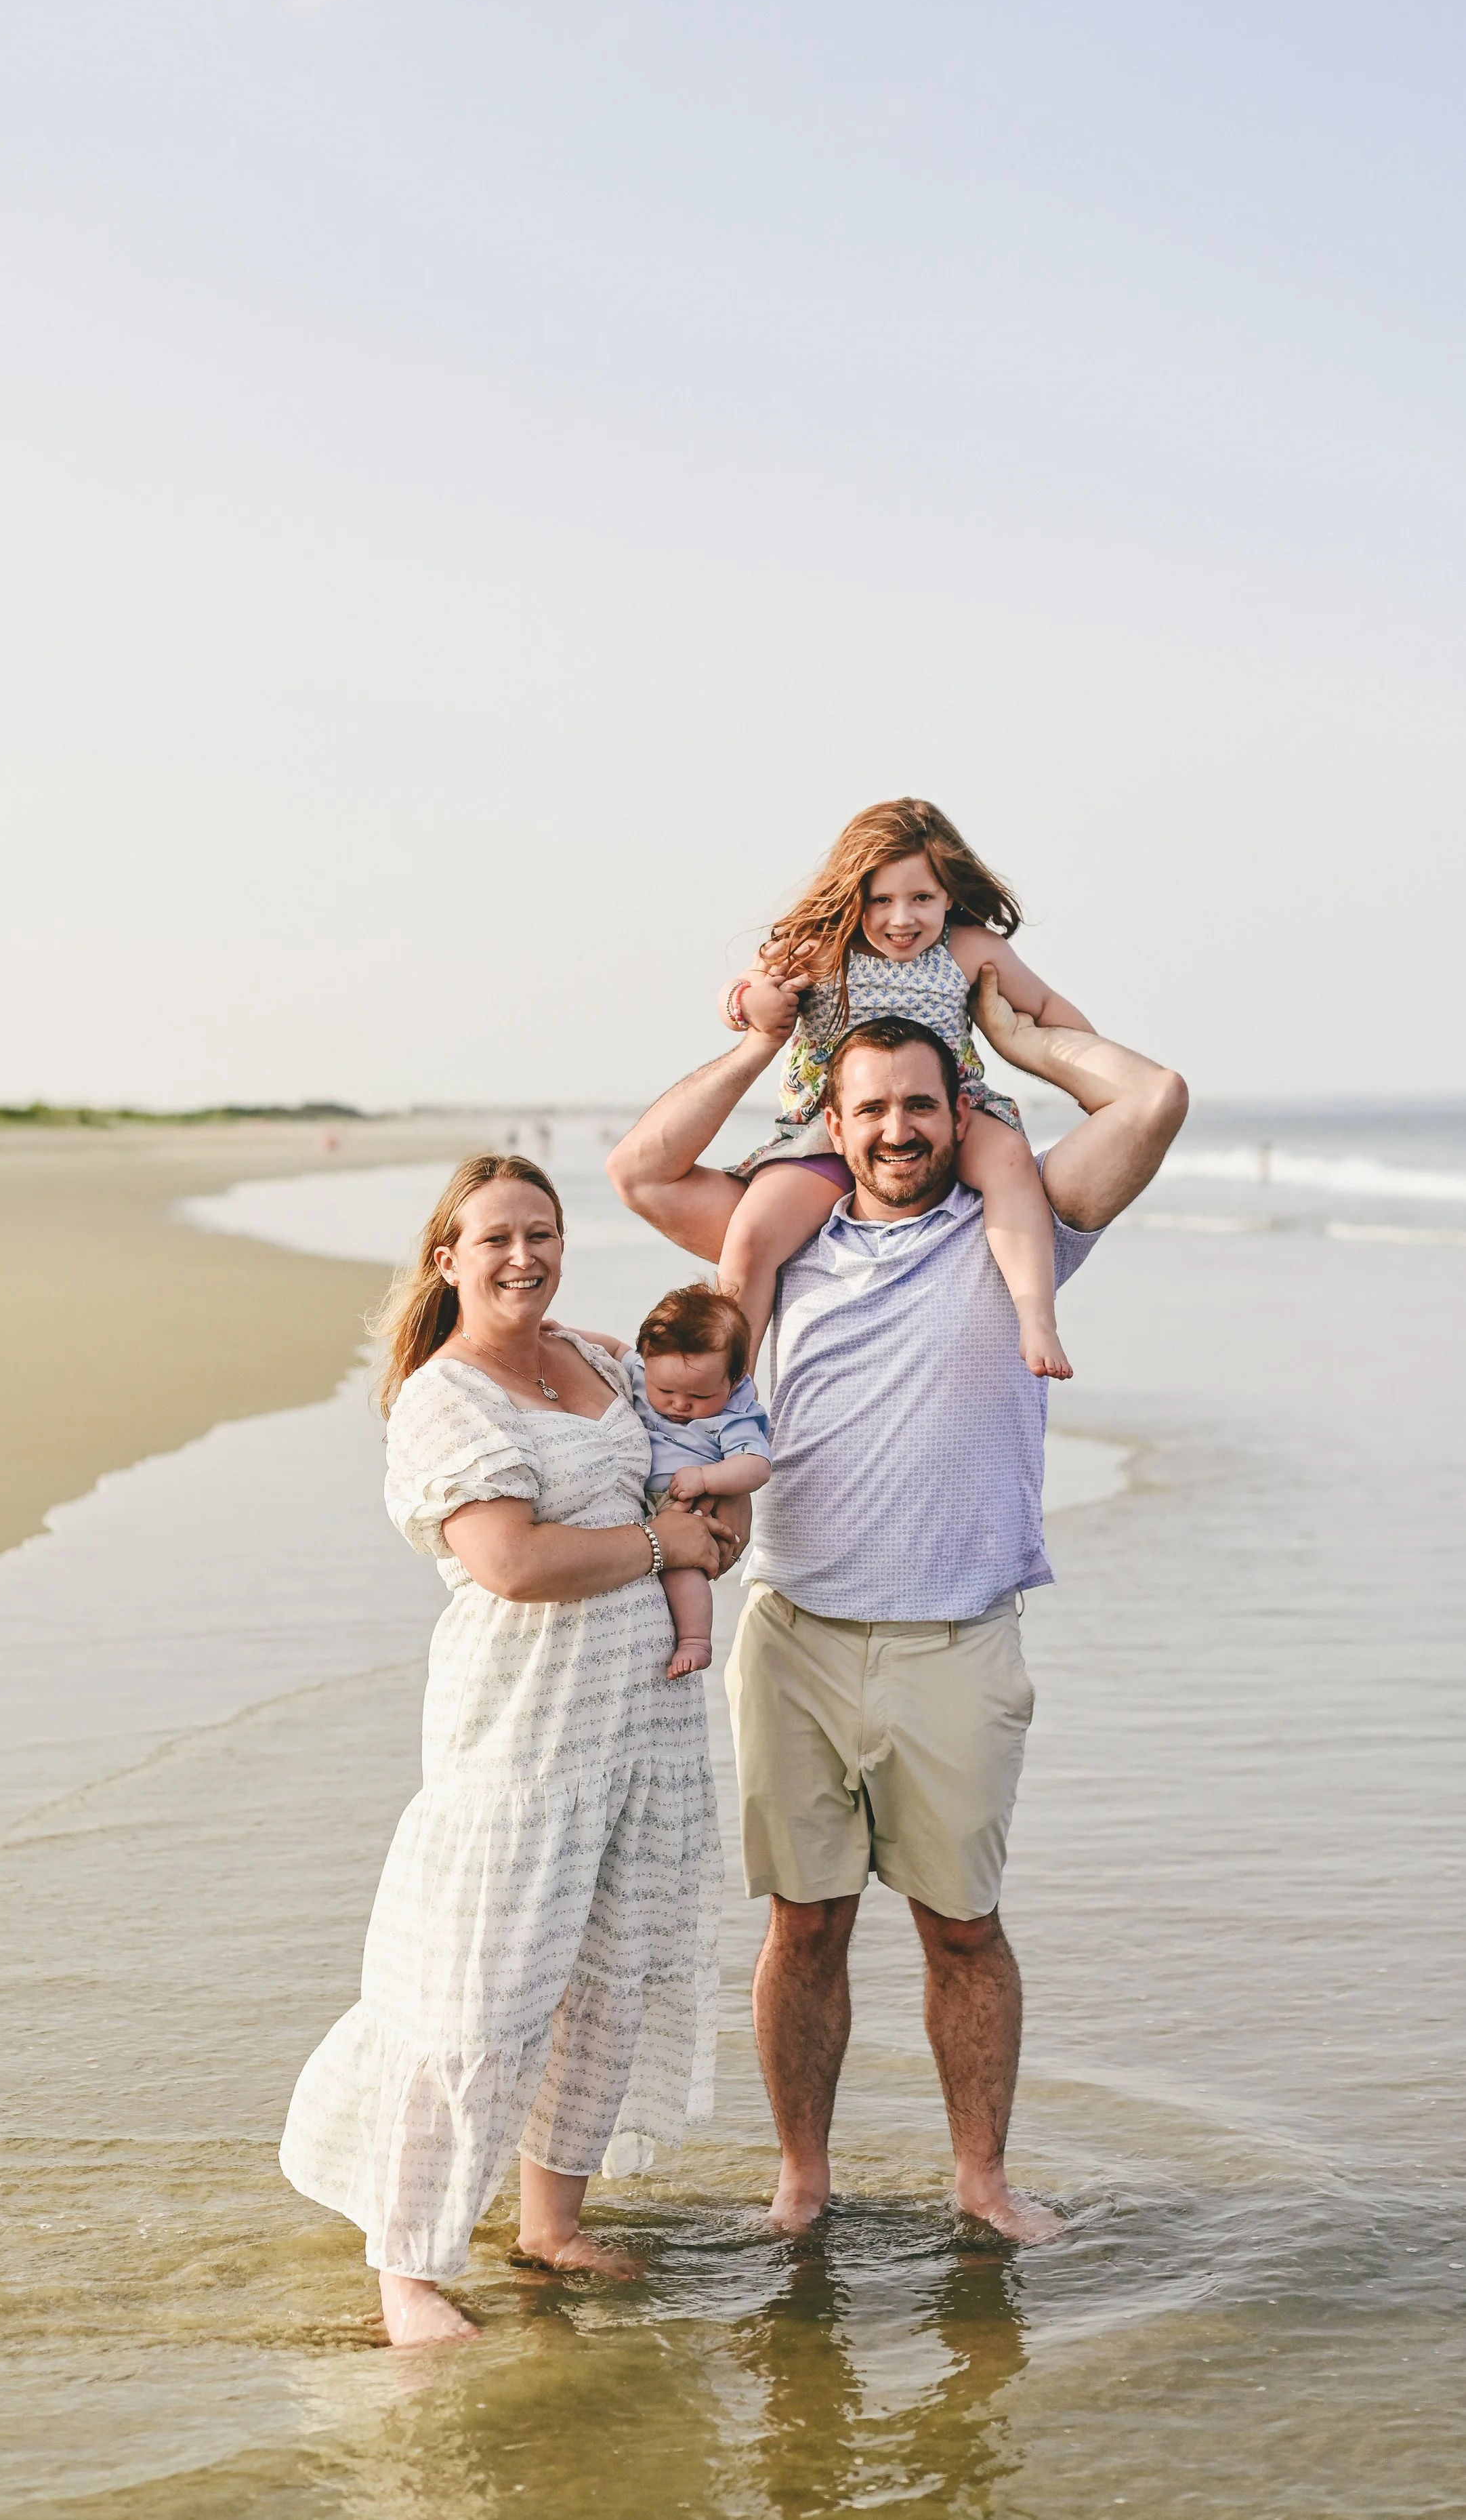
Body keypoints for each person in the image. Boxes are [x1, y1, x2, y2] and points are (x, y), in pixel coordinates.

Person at [607, 976, 1187, 2242]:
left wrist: (1024, 1034)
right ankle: (801, 2182)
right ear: (836, 1118)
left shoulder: (1020, 1223)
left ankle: (982, 2181)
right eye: (870, 1108)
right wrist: (764, 1041)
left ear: (956, 1108)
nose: (897, 1129)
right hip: (795, 1635)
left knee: (963, 1930)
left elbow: (1150, 1097)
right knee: (800, 1926)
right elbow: (645, 1168)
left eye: (921, 1104)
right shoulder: (783, 1230)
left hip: (958, 1642)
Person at [278, 1155, 736, 2345]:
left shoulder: (599, 1358)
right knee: (478, 1992)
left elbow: (705, 1446)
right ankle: (410, 2268)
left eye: (543, 1232)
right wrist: (660, 1544)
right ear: (449, 1259)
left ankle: (550, 2223)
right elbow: (515, 1564)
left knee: (606, 1978)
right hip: (523, 1729)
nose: (524, 1255)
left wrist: (712, 1531)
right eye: (496, 1239)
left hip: (646, 1720)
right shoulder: (445, 1396)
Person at [714, 796, 1095, 1380]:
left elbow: (1043, 1007)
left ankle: (1035, 1315)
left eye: (922, 898)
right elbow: (735, 993)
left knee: (1013, 1165)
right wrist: (752, 1002)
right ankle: (732, 1391)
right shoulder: (818, 950)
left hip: (949, 1111)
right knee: (750, 1234)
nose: (902, 919)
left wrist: (1093, 1072)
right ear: (852, 896)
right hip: (827, 1125)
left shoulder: (970, 951)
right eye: (882, 900)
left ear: (950, 894)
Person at [569, 1282, 773, 1680]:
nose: (680, 1405)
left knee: (682, 1569)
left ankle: (696, 1640)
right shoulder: (645, 1370)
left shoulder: (733, 1413)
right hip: (634, 1498)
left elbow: (756, 1466)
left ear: (732, 1382)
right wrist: (565, 1336)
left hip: (684, 1501)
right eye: (666, 1391)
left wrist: (707, 1476)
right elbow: (611, 1349)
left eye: (699, 1396)